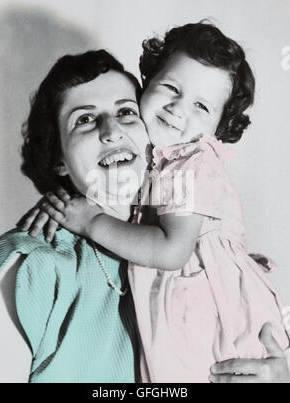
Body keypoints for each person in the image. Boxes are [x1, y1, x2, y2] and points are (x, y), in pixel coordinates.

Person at [22, 22, 290, 383]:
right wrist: (65, 197)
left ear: (218, 130)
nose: (178, 110)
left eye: (201, 106)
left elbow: (172, 251)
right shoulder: (159, 164)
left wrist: (88, 220)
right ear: (147, 85)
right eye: (169, 88)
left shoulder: (191, 163)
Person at [0, 50, 150, 382]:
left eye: (126, 111)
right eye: (85, 119)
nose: (112, 130)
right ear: (58, 158)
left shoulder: (193, 253)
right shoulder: (25, 267)